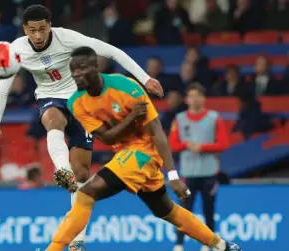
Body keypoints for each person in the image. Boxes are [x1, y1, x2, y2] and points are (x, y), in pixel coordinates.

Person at [0, 5, 164, 251]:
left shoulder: (67, 37)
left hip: (81, 101)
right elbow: (2, 90)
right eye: (32, 30)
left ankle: (78, 242)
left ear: (50, 25)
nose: (38, 36)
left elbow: (112, 52)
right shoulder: (16, 51)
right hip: (49, 97)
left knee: (81, 175)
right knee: (52, 121)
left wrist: (145, 78)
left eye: (42, 29)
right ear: (25, 29)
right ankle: (61, 170)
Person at [43, 47, 241, 251]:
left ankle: (54, 249)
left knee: (87, 192)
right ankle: (222, 246)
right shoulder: (76, 102)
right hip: (123, 152)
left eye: (81, 68)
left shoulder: (125, 86)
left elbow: (156, 130)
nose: (76, 74)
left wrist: (173, 175)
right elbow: (108, 138)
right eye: (72, 69)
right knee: (166, 210)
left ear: (96, 67)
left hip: (145, 151)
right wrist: (130, 118)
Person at [169, 83, 230, 251]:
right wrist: (187, 145)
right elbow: (173, 145)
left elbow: (223, 143)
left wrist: (202, 147)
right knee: (184, 211)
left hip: (209, 172)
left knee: (208, 209)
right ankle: (179, 244)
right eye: (191, 96)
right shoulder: (180, 119)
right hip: (188, 173)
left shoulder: (214, 117)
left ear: (203, 98)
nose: (194, 99)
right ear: (187, 99)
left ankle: (208, 244)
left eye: (198, 95)